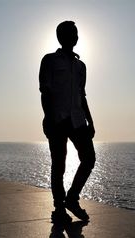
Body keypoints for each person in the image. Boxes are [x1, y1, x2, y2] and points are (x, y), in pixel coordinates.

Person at [39, 21, 96, 224]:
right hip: (57, 119)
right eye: (72, 33)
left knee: (89, 158)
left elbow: (82, 94)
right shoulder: (49, 60)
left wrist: (91, 121)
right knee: (58, 165)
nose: (76, 36)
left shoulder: (81, 66)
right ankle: (59, 207)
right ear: (61, 37)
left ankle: (72, 198)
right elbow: (45, 91)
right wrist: (47, 116)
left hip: (78, 119)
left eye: (77, 33)